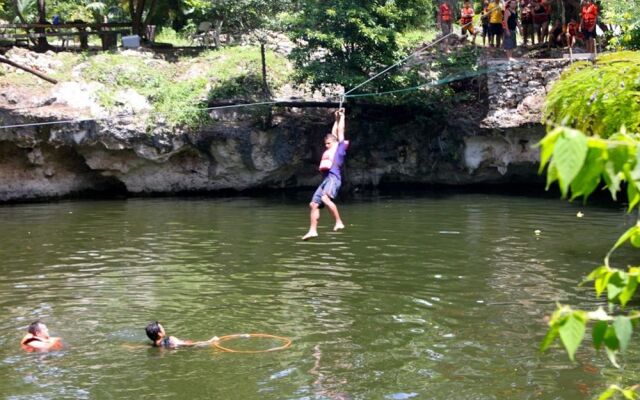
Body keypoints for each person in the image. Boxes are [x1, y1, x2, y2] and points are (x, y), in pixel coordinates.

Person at [302, 109, 348, 241]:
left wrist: (342, 117)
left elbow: (339, 132)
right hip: (326, 180)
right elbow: (334, 133)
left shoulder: (340, 149)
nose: (326, 146)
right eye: (325, 144)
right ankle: (312, 231)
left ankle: (339, 222)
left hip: (334, 179)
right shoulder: (332, 146)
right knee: (314, 204)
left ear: (334, 143)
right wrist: (336, 118)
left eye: (328, 143)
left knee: (326, 199)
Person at [145, 321, 218, 349]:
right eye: (162, 328)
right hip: (191, 347)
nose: (164, 328)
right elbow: (188, 345)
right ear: (159, 334)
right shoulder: (171, 339)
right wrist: (210, 341)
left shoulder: (154, 345)